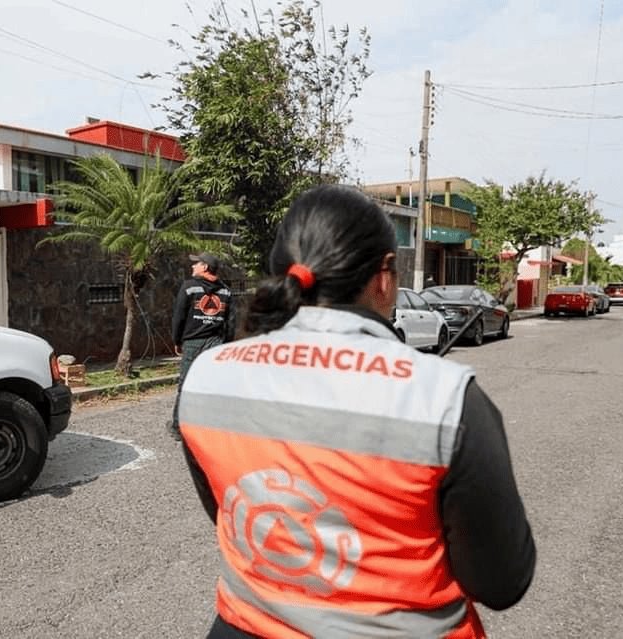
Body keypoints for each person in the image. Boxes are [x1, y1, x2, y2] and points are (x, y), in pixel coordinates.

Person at [178, 185, 535, 638]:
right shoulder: (445, 396)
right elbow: (502, 582)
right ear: (384, 276)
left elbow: (228, 510)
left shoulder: (207, 375)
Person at [167, 252, 235, 441]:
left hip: (193, 343)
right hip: (215, 343)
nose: (192, 266)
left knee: (186, 385)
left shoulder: (189, 288)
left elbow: (179, 317)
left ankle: (178, 427)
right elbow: (231, 323)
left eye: (196, 263)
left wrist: (177, 341)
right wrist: (226, 347)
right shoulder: (226, 292)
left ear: (205, 267)